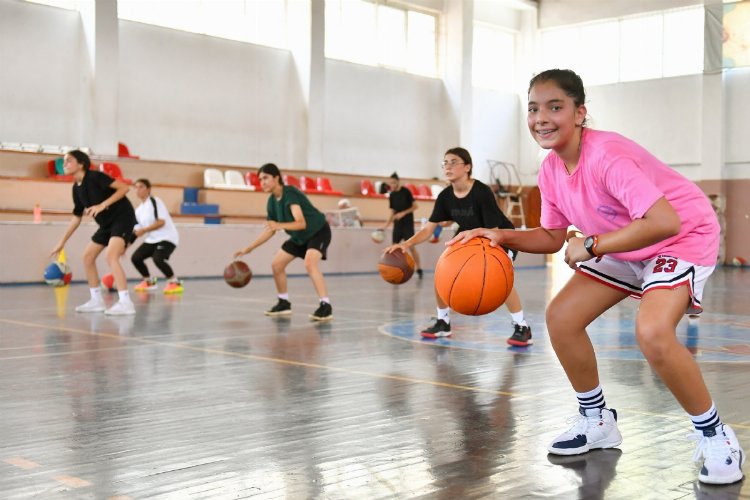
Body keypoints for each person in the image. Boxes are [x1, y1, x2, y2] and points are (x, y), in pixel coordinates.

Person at [450, 69, 744, 485]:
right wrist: (498, 234)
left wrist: (591, 246)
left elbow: (663, 221)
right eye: (533, 109)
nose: (541, 118)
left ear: (580, 113)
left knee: (654, 332)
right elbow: (553, 237)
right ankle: (597, 421)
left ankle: (717, 437)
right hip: (624, 241)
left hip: (680, 235)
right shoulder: (551, 169)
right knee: (562, 317)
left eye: (556, 107)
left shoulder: (607, 156)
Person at [384, 147, 532, 345]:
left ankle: (522, 326)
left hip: (498, 236)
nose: (448, 166)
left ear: (467, 167)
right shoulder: (445, 196)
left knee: (500, 278)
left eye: (453, 162)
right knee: (442, 273)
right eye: (445, 162)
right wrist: (405, 244)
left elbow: (494, 230)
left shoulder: (481, 192)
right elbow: (428, 230)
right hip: (467, 238)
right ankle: (443, 322)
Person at [233, 163, 333, 321]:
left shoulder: (290, 193)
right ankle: (283, 302)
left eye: (265, 178)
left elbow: (301, 223)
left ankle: (325, 306)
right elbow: (270, 229)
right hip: (299, 237)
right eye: (260, 180)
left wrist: (279, 225)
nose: (262, 182)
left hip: (318, 231)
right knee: (277, 265)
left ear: (276, 178)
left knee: (310, 263)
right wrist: (249, 248)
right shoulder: (271, 202)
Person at [49, 150, 137, 315]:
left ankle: (126, 303)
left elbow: (124, 188)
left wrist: (102, 205)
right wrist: (61, 242)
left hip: (122, 217)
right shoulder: (76, 188)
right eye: (63, 161)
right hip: (105, 224)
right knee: (87, 257)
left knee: (111, 255)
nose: (64, 164)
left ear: (81, 163)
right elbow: (76, 218)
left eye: (69, 160)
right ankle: (96, 301)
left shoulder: (95, 177)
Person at [130, 178, 183, 294]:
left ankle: (175, 283)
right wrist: (124, 246)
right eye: (136, 187)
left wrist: (144, 230)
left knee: (158, 259)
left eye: (141, 187)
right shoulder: (138, 211)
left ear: (148, 189)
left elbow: (161, 222)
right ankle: (148, 282)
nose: (138, 190)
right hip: (153, 239)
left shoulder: (155, 201)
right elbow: (136, 231)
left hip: (167, 237)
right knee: (136, 258)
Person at [380, 172, 423, 279]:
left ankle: (419, 268)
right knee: (393, 249)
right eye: (391, 183)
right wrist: (385, 226)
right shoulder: (392, 195)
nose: (392, 185)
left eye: (394, 183)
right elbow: (392, 212)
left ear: (398, 182)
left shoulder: (406, 191)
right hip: (397, 225)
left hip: (407, 224)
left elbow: (415, 206)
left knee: (411, 247)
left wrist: (403, 213)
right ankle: (394, 270)